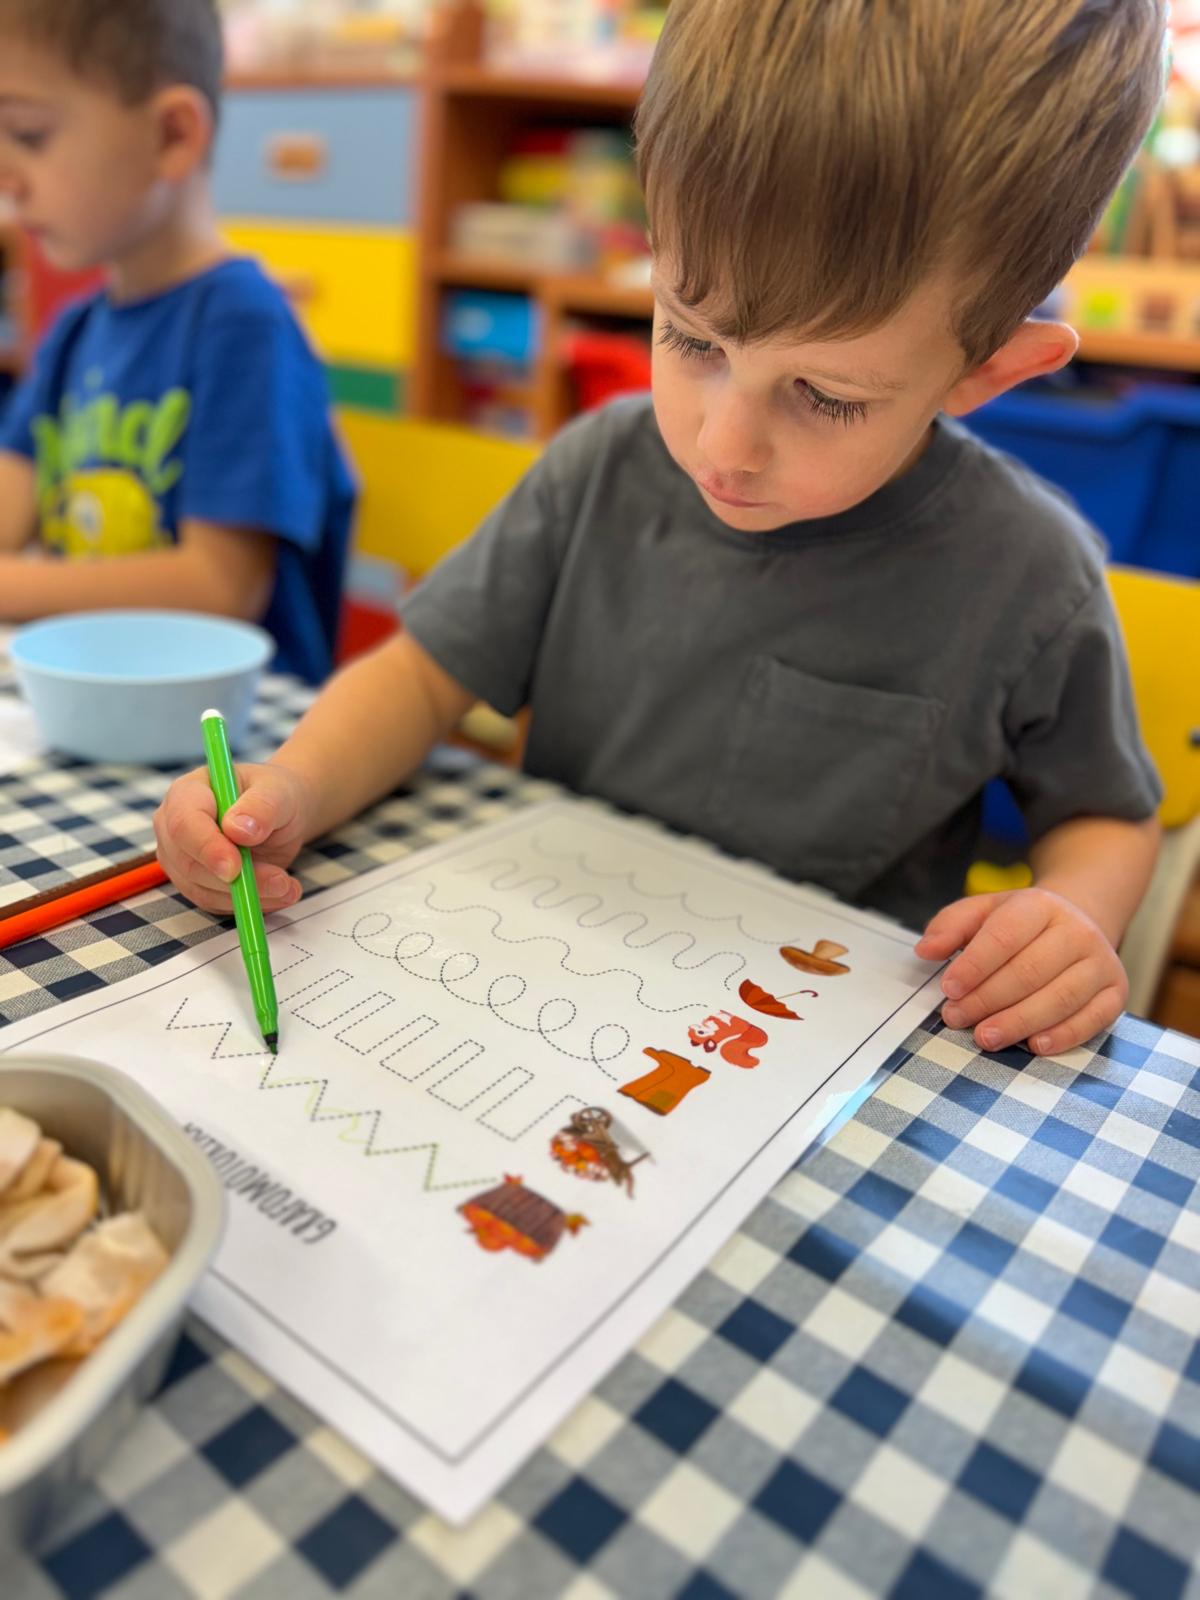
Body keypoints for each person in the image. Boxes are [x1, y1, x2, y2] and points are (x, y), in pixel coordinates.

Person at [155, 0, 1166, 1059]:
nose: (724, 445)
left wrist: (1073, 918)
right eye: (691, 338)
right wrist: (293, 787)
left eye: (824, 395)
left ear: (988, 372)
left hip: (804, 1056)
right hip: (542, 993)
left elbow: (1103, 816)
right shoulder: (600, 470)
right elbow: (419, 679)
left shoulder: (1026, 577)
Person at [0, 0, 355, 684]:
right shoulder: (74, 332)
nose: (6, 179)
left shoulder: (244, 325)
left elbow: (217, 587)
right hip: (98, 695)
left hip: (228, 729)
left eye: (29, 135)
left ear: (172, 136)